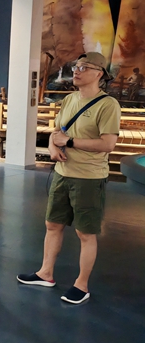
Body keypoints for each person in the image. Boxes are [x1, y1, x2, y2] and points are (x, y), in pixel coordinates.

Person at [17, 52, 121, 304]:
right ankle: (45, 273)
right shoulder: (70, 100)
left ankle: (81, 285)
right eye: (76, 66)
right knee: (52, 225)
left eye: (84, 67)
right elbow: (57, 132)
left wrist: (70, 142)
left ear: (99, 74)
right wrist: (53, 147)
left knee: (85, 233)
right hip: (62, 174)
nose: (77, 71)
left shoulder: (108, 105)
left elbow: (108, 144)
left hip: (88, 178)